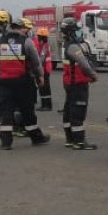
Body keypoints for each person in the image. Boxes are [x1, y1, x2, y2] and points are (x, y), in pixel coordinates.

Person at [0, 17, 49, 149]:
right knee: (27, 110)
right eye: (25, 28)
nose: (26, 31)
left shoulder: (0, 40)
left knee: (6, 112)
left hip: (4, 81)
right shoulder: (27, 42)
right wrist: (40, 76)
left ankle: (5, 142)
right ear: (21, 28)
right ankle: (36, 137)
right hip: (23, 81)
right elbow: (36, 62)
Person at [59, 17, 98, 150]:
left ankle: (70, 139)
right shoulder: (73, 47)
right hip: (78, 83)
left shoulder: (66, 45)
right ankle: (79, 141)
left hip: (70, 82)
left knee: (69, 110)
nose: (79, 32)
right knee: (78, 111)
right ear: (71, 32)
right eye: (77, 30)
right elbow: (84, 64)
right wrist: (93, 75)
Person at [34, 26, 54, 111]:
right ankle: (46, 104)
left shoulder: (44, 46)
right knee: (44, 87)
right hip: (45, 68)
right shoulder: (44, 45)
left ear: (41, 37)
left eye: (38, 36)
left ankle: (46, 105)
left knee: (44, 87)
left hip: (44, 69)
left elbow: (42, 59)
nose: (37, 37)